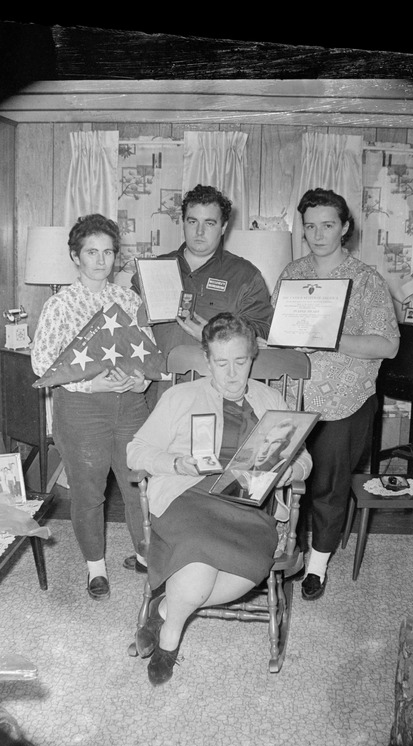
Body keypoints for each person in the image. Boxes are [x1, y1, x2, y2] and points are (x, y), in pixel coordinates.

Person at [126, 313, 312, 685]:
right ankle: (170, 638)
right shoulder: (180, 396)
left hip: (248, 502)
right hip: (187, 496)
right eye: (221, 363)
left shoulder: (270, 399)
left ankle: (163, 608)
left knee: (242, 572)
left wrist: (290, 472)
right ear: (207, 360)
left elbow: (303, 456)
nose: (231, 373)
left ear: (252, 357)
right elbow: (136, 451)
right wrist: (175, 461)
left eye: (240, 362)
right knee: (198, 562)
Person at [124, 184, 275, 574]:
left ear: (224, 226)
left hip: (210, 397)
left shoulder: (244, 275)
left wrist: (207, 331)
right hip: (155, 391)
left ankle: (201, 551)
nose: (199, 231)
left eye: (210, 223)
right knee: (158, 472)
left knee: (205, 477)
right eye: (192, 221)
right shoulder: (153, 268)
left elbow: (259, 335)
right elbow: (128, 325)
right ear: (183, 222)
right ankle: (160, 546)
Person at [271, 188, 400, 601]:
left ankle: (318, 565)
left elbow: (388, 345)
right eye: (310, 226)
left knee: (328, 486)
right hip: (293, 398)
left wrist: (330, 339)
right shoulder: (292, 274)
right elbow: (278, 334)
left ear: (345, 228)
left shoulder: (366, 280)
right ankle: (287, 549)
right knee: (286, 483)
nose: (318, 234)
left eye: (328, 225)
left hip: (343, 402)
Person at [31, 214, 152, 601]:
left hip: (130, 404)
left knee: (139, 484)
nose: (101, 260)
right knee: (88, 491)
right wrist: (88, 382)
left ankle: (145, 555)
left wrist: (141, 380)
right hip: (82, 408)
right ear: (75, 256)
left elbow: (148, 354)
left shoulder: (129, 299)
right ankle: (95, 568)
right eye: (91, 252)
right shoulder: (60, 304)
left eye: (108, 252)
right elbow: (42, 363)